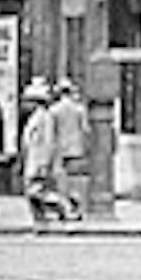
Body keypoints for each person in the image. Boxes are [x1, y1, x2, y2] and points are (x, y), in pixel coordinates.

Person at [17, 80, 74, 230]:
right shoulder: (35, 118)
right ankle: (40, 221)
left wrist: (43, 163)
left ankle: (62, 207)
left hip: (38, 160)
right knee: (32, 192)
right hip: (32, 159)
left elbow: (47, 142)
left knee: (36, 191)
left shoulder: (44, 118)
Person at [47, 77, 90, 222]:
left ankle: (65, 209)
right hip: (76, 149)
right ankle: (77, 208)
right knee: (75, 182)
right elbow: (85, 129)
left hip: (59, 150)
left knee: (61, 182)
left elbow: (51, 133)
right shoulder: (79, 109)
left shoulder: (54, 111)